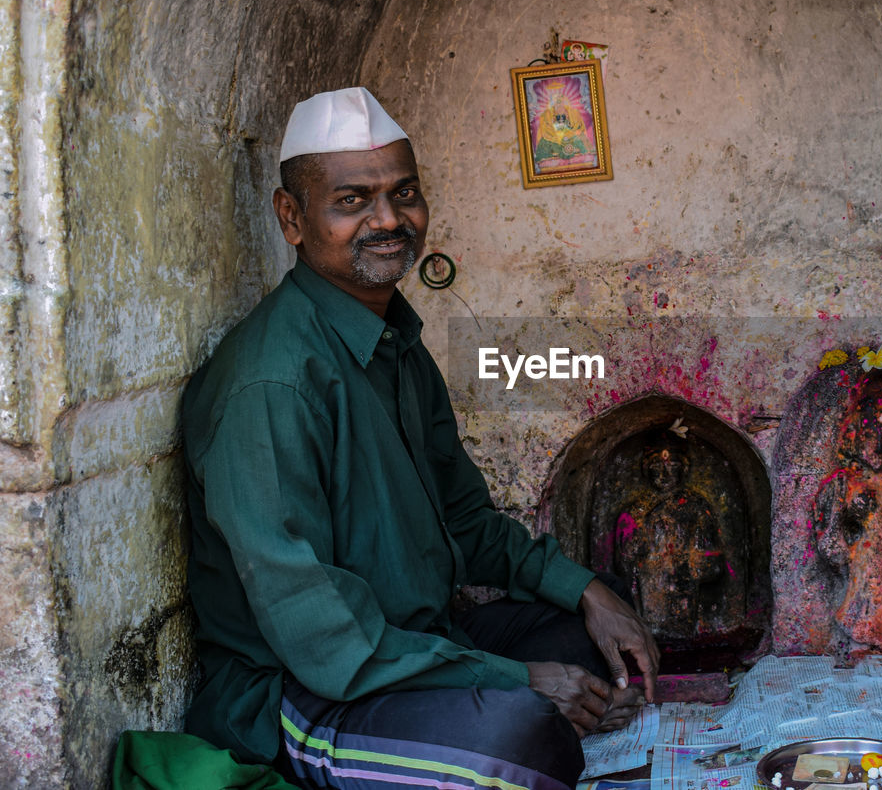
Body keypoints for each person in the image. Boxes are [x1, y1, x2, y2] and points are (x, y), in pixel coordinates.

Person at [182, 87, 659, 790]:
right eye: (352, 200)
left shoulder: (397, 344)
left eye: (404, 193)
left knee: (596, 621)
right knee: (517, 740)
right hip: (308, 695)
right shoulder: (271, 384)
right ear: (292, 216)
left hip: (421, 644)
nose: (388, 219)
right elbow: (331, 645)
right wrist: (517, 679)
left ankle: (539, 701)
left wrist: (588, 590)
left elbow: (465, 521)